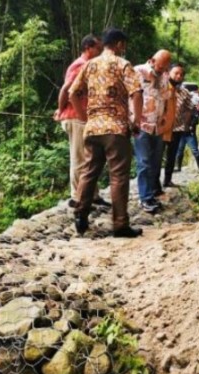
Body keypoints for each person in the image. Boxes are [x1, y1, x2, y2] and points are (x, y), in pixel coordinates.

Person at [68, 28, 144, 238]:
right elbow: (137, 92)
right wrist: (136, 120)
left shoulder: (89, 65)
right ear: (119, 44)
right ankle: (120, 224)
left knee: (89, 171)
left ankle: (80, 214)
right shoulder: (122, 64)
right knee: (118, 175)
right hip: (115, 128)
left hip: (92, 128)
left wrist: (84, 117)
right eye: (124, 45)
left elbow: (72, 92)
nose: (124, 49)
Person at [53, 34, 110, 208]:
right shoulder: (79, 66)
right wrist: (61, 110)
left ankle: (92, 194)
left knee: (90, 157)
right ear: (88, 48)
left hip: (84, 117)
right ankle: (77, 197)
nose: (100, 52)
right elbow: (66, 90)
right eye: (97, 49)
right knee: (79, 157)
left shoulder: (89, 66)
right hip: (76, 117)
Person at [133, 49, 172, 213]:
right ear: (152, 60)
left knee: (155, 163)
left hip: (158, 126)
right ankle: (145, 198)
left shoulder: (165, 76)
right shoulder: (138, 71)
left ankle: (152, 195)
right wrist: (132, 119)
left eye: (165, 67)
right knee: (144, 162)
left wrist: (164, 118)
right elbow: (130, 95)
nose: (161, 69)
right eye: (160, 66)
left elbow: (166, 98)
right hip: (141, 125)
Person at [160, 63, 195, 188]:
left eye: (181, 74)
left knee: (171, 155)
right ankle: (153, 183)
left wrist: (186, 124)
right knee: (158, 155)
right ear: (168, 73)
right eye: (176, 73)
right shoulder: (162, 89)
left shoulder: (184, 92)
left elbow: (190, 108)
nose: (178, 76)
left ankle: (167, 180)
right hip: (161, 129)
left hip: (177, 129)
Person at [175, 86, 199, 173]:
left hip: (189, 133)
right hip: (181, 132)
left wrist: (192, 126)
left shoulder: (193, 107)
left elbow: (196, 119)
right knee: (179, 151)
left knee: (194, 150)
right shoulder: (180, 107)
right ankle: (178, 167)